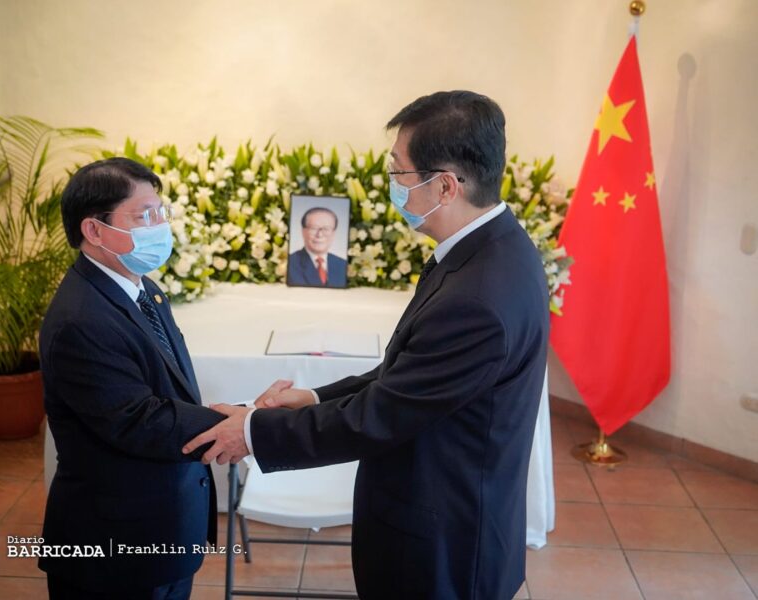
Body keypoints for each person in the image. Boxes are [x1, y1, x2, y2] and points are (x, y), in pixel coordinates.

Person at [184, 91, 549, 600]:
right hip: (443, 513)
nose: (393, 184)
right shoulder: (491, 248)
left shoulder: (479, 297)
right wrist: (315, 397)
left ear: (445, 185)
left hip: (444, 542)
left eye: (400, 171)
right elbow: (408, 375)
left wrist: (252, 432)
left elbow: (381, 416)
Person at [38, 157, 288, 599]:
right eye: (143, 216)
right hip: (116, 543)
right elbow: (138, 419)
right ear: (94, 230)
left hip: (164, 525)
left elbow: (170, 389)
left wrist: (242, 416)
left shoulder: (142, 288)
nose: (159, 226)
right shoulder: (81, 319)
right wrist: (244, 423)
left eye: (160, 212)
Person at [286, 206, 347, 287]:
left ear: (333, 233)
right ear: (303, 231)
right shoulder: (290, 263)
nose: (319, 234)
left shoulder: (342, 264)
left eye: (326, 229)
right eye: (313, 228)